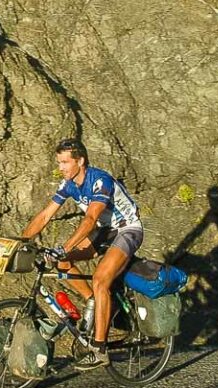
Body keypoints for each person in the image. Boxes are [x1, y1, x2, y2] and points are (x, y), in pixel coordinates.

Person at [20, 138, 143, 370]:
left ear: (81, 161)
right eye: (59, 163)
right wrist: (22, 242)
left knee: (100, 279)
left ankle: (100, 348)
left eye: (65, 163)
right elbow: (45, 216)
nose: (61, 168)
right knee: (62, 263)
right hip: (105, 231)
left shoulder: (100, 180)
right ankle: (94, 302)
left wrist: (65, 247)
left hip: (127, 229)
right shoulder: (68, 184)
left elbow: (90, 220)